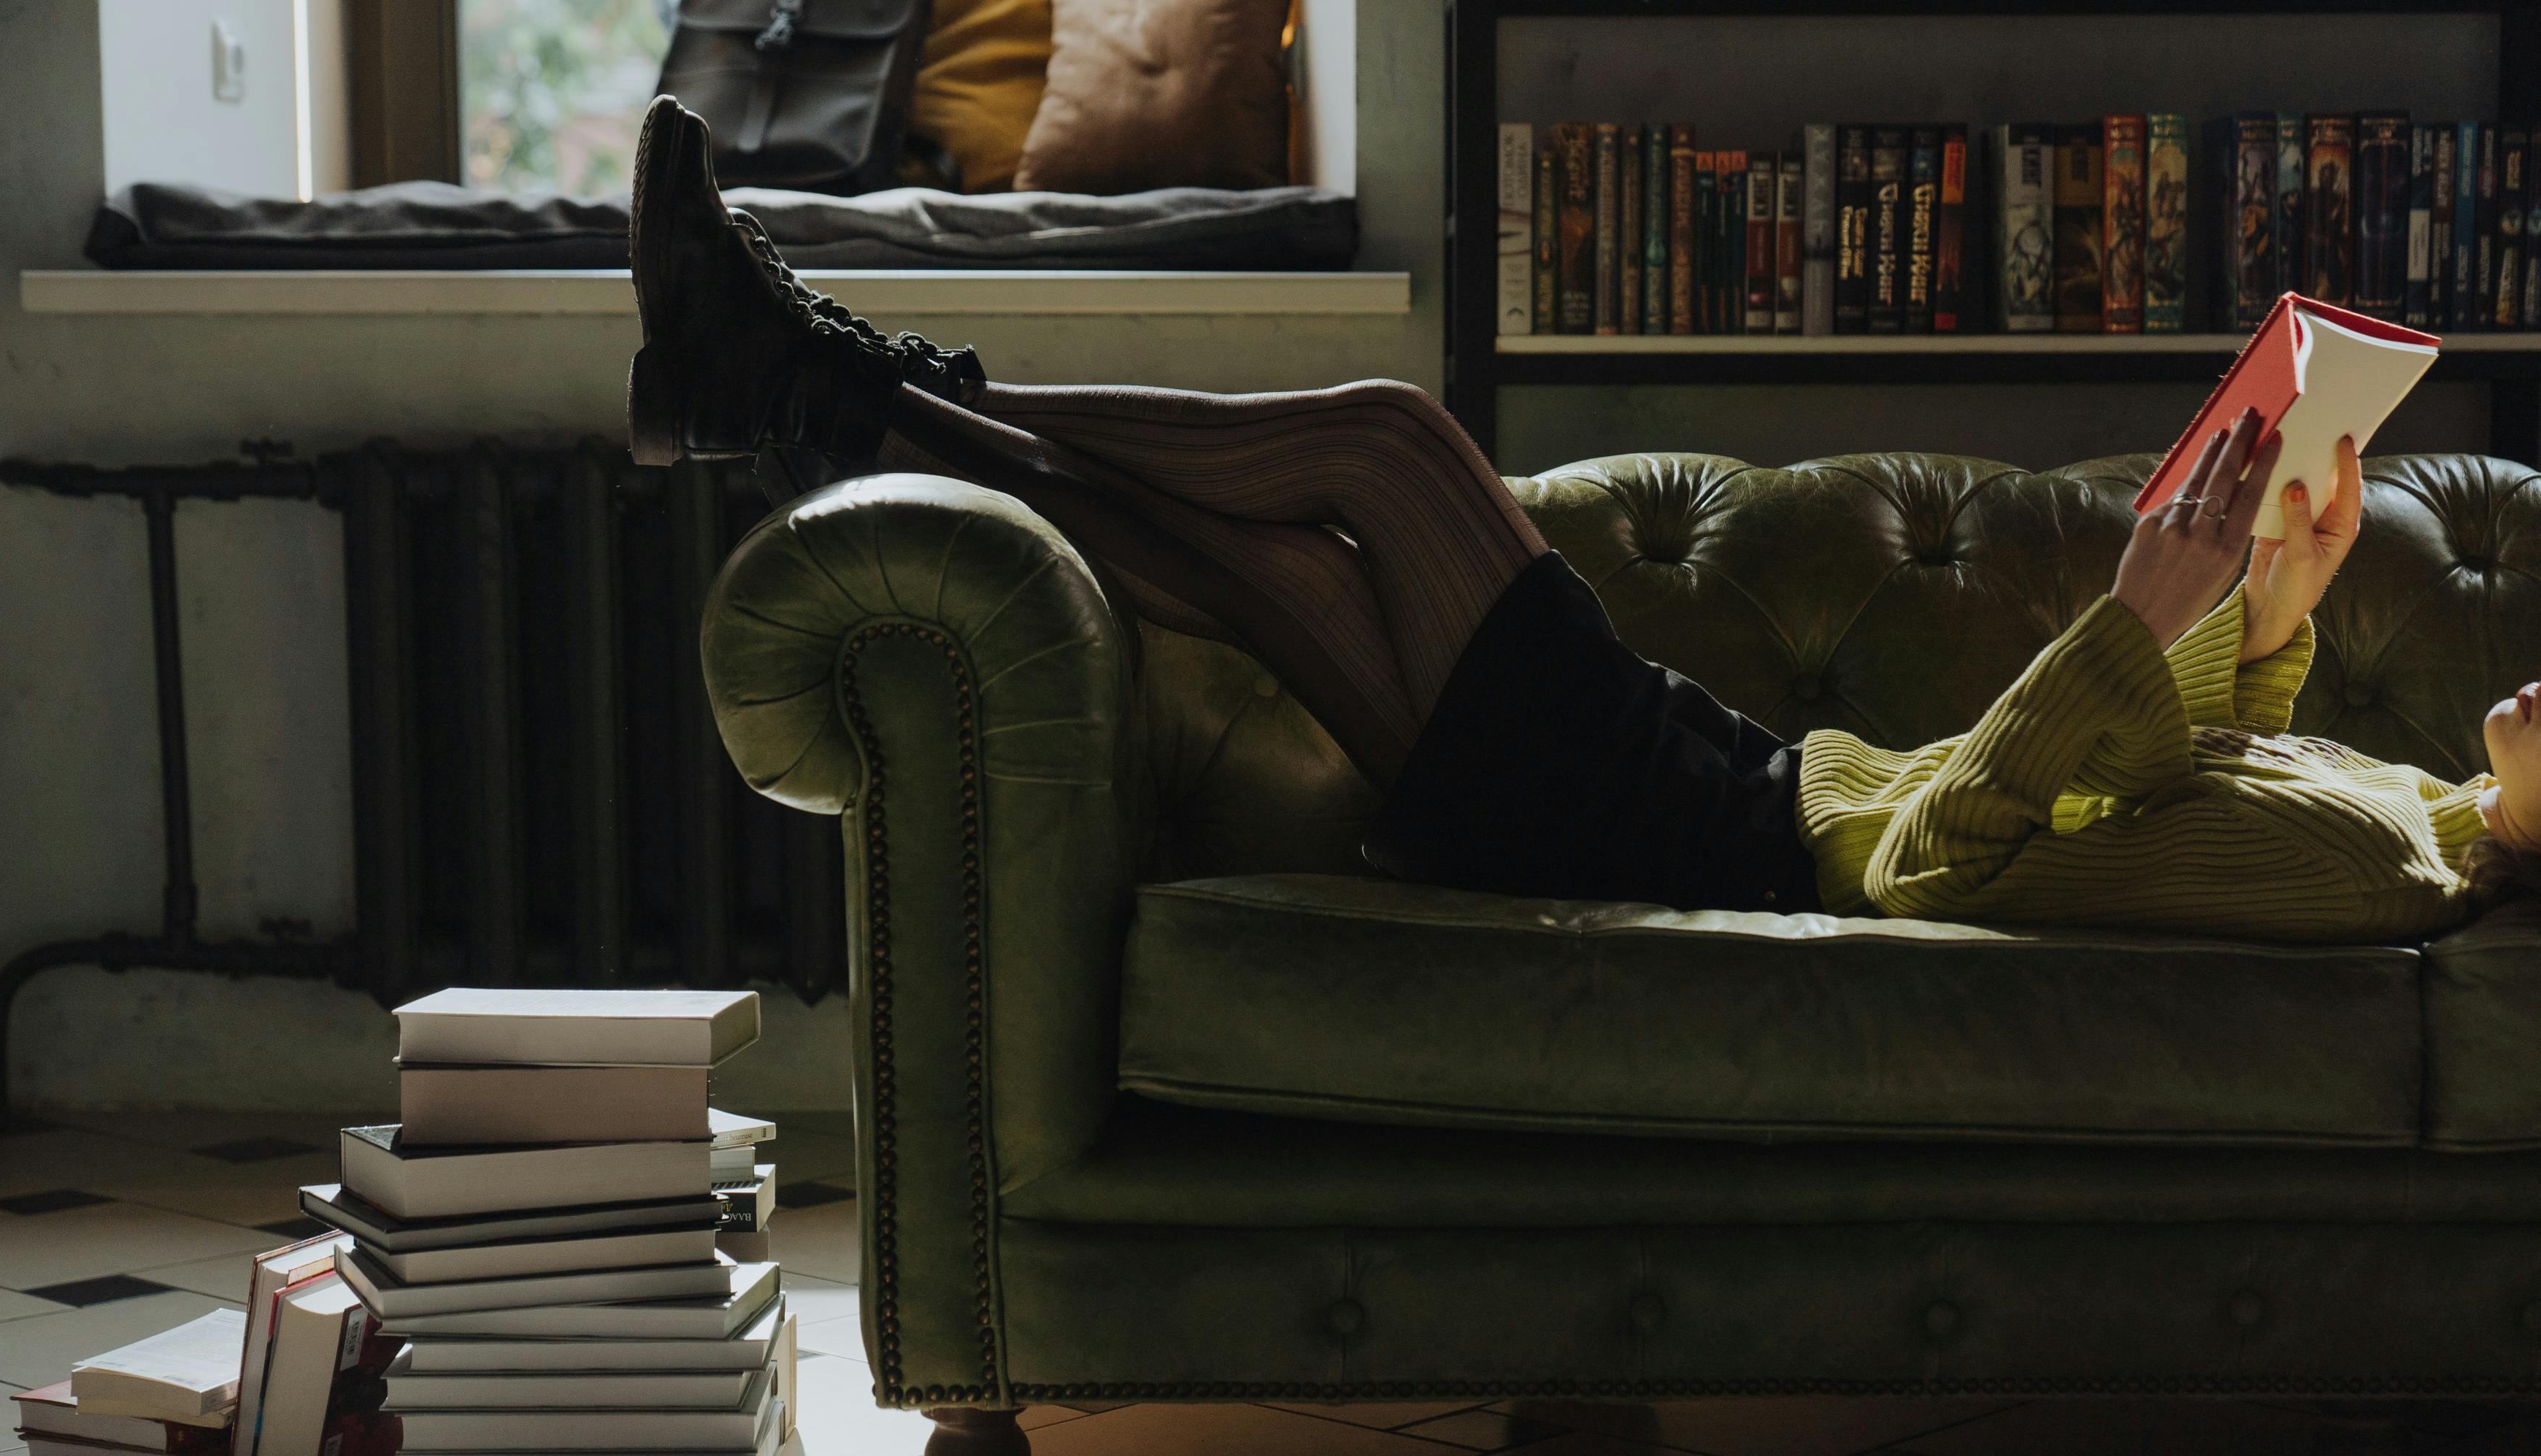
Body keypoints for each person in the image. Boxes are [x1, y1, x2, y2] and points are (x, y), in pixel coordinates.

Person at [629, 99, 2541, 946]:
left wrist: (2138, 610)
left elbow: (1976, 875)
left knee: (1381, 449)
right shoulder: (2415, 825)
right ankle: (800, 384)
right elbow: (2174, 782)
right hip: (1738, 793)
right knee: (1269, 566)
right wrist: (2267, 611)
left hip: (1730, 840)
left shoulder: (2377, 883)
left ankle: (823, 371)